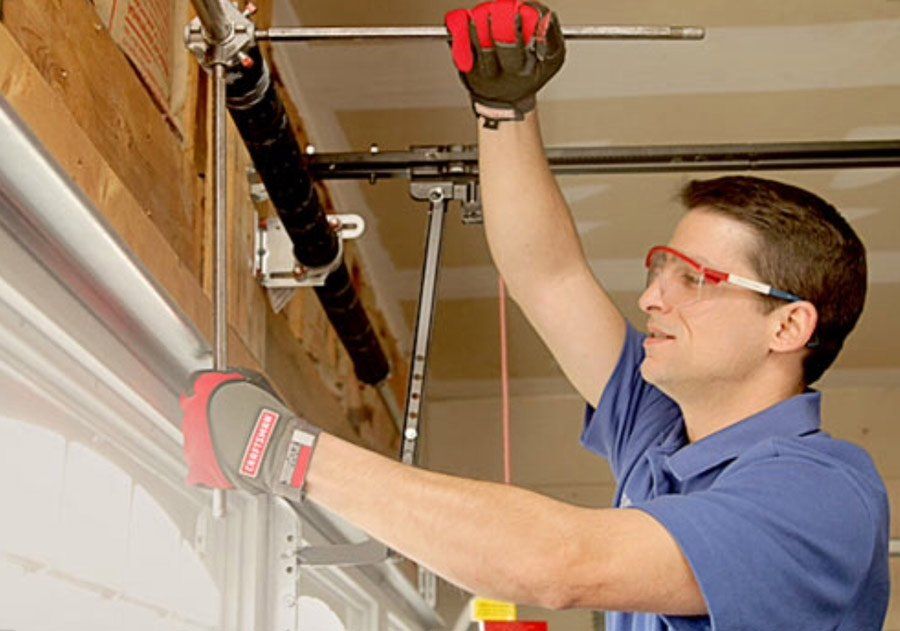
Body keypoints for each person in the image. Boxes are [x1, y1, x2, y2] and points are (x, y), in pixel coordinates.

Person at [180, 1, 891, 628]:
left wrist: (284, 451)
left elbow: (563, 563)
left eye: (694, 279)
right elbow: (547, 276)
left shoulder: (822, 491)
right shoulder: (661, 434)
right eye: (658, 269)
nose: (651, 297)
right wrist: (504, 109)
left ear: (788, 326)